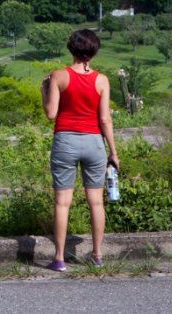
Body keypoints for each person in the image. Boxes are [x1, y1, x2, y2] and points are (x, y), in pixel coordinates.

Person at [40, 28, 118, 272]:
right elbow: (105, 119)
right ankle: (96, 255)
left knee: (63, 202)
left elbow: (51, 114)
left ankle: (60, 259)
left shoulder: (58, 76)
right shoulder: (102, 80)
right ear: (93, 52)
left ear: (71, 49)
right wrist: (113, 152)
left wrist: (44, 92)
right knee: (96, 202)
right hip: (94, 142)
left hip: (65, 141)